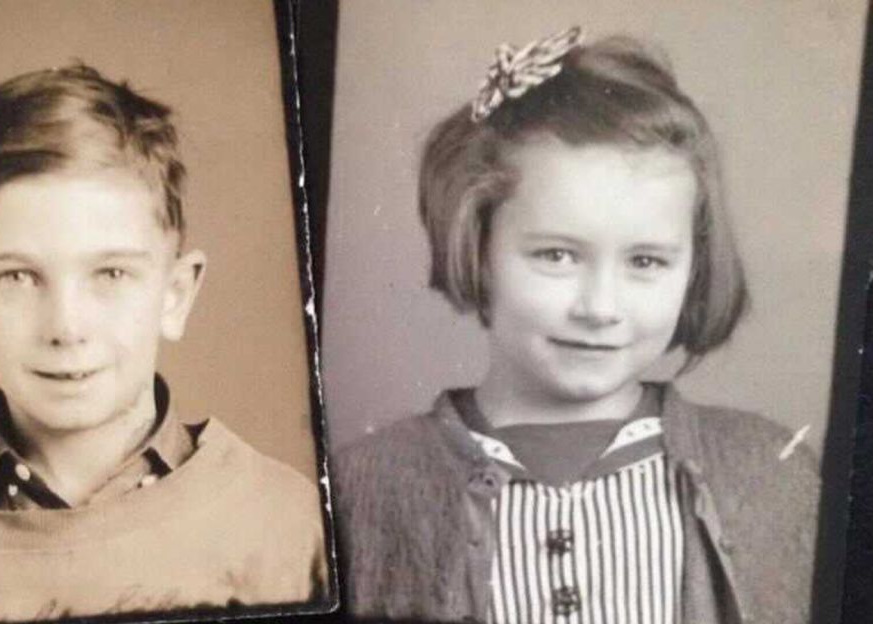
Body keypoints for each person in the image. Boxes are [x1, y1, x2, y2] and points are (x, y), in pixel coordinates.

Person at [334, 28, 819, 624]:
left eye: (645, 262)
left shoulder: (771, 473)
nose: (599, 306)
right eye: (557, 255)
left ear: (693, 266)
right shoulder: (361, 488)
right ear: (476, 244)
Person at [0, 63, 327, 624]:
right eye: (17, 277)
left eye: (110, 274)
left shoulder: (283, 521)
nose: (66, 327)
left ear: (175, 295)